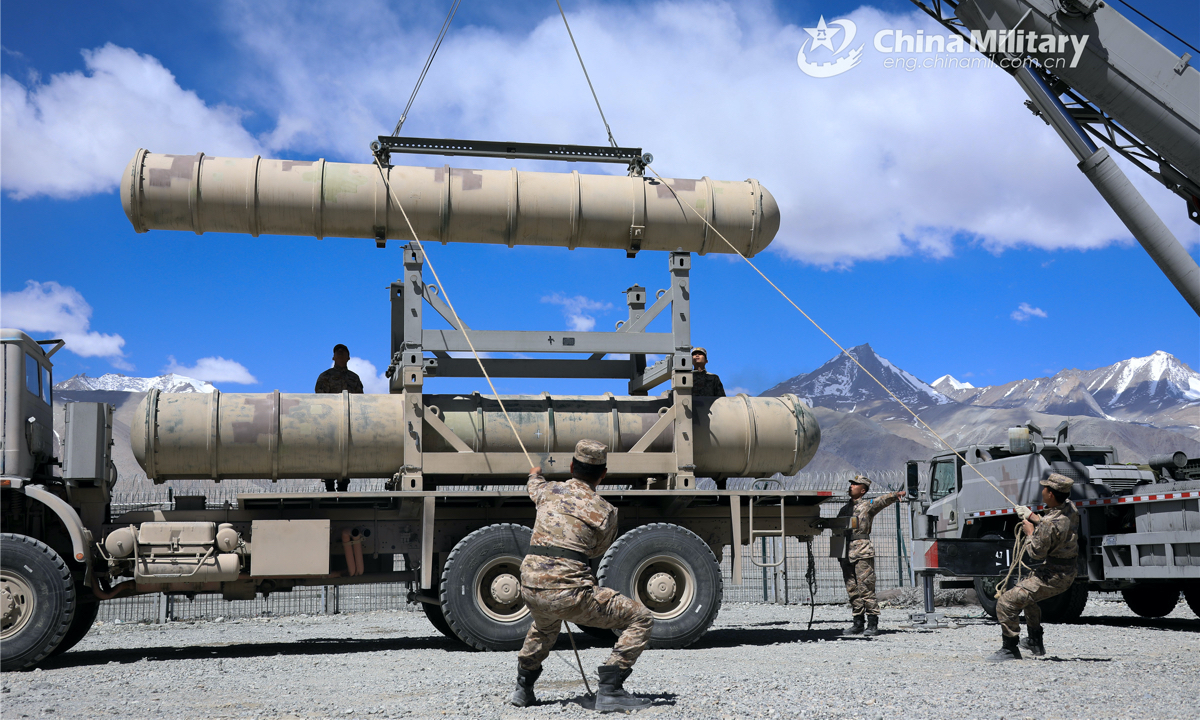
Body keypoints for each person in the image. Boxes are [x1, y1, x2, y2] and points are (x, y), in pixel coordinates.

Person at [510, 440, 653, 712]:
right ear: (604, 474)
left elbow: (533, 486)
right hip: (570, 592)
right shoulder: (606, 511)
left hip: (530, 587)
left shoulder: (547, 490)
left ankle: (523, 688)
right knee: (641, 618)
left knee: (544, 627)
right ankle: (611, 689)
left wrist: (534, 473)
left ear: (572, 466)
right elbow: (597, 550)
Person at [988, 473, 1079, 662]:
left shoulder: (1047, 525)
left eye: (1045, 488)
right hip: (1065, 570)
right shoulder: (1070, 508)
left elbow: (1036, 553)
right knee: (1027, 596)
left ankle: (1010, 649)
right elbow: (1055, 524)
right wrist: (1034, 517)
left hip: (1054, 575)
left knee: (1006, 602)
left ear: (1051, 495)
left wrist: (1030, 532)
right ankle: (1034, 641)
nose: (1043, 490)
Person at [837, 474, 905, 637]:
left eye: (855, 484)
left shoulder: (867, 506)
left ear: (863, 490)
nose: (851, 486)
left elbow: (881, 501)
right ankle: (858, 623)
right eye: (851, 484)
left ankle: (873, 623)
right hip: (845, 551)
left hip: (861, 551)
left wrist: (894, 495)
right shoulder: (844, 509)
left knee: (866, 587)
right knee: (852, 589)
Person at [314, 343, 364, 492]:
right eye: (338, 351)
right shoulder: (325, 376)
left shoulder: (354, 378)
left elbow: (361, 400)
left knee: (347, 452)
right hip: (330, 421)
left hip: (349, 422)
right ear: (333, 357)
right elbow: (319, 399)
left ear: (348, 357)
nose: (340, 353)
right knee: (329, 451)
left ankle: (343, 485)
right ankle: (329, 485)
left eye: (344, 351)